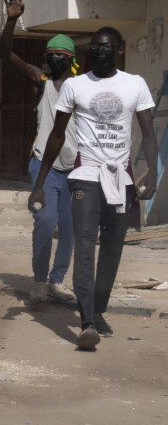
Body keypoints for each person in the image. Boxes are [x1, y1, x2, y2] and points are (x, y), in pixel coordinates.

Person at [30, 27, 158, 351]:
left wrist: (152, 174)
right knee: (85, 245)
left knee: (112, 247)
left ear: (119, 49)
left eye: (108, 47)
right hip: (85, 174)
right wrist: (40, 183)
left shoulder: (135, 85)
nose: (101, 52)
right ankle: (87, 321)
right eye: (97, 47)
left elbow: (149, 133)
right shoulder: (74, 85)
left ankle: (98, 308)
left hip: (122, 178)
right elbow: (56, 135)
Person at [0, 0, 78, 305]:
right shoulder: (41, 80)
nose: (56, 58)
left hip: (76, 167)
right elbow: (6, 55)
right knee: (45, 223)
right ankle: (40, 281)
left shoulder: (81, 85)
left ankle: (58, 281)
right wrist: (11, 20)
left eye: (62, 54)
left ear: (71, 59)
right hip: (43, 166)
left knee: (69, 229)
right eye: (52, 53)